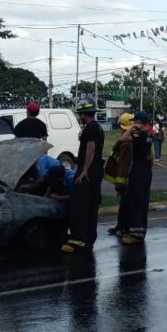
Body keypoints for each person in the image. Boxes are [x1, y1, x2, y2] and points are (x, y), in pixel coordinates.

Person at [66, 101, 104, 252]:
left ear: (83, 114)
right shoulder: (97, 128)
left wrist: (84, 171)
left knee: (80, 204)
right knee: (91, 204)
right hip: (95, 170)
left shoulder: (91, 129)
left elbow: (91, 149)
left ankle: (79, 238)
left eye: (80, 115)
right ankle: (88, 238)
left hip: (88, 170)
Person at [116, 111, 154, 245]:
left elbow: (123, 139)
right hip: (137, 170)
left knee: (139, 200)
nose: (134, 125)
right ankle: (130, 229)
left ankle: (137, 232)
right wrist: (133, 129)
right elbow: (122, 139)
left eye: (136, 122)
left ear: (142, 123)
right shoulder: (141, 135)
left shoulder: (145, 136)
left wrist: (133, 129)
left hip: (142, 171)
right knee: (132, 199)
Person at [104, 113, 134, 236]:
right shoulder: (132, 140)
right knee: (125, 204)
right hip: (130, 178)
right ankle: (121, 226)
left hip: (125, 179)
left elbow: (122, 164)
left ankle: (123, 228)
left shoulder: (125, 143)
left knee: (126, 204)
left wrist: (120, 183)